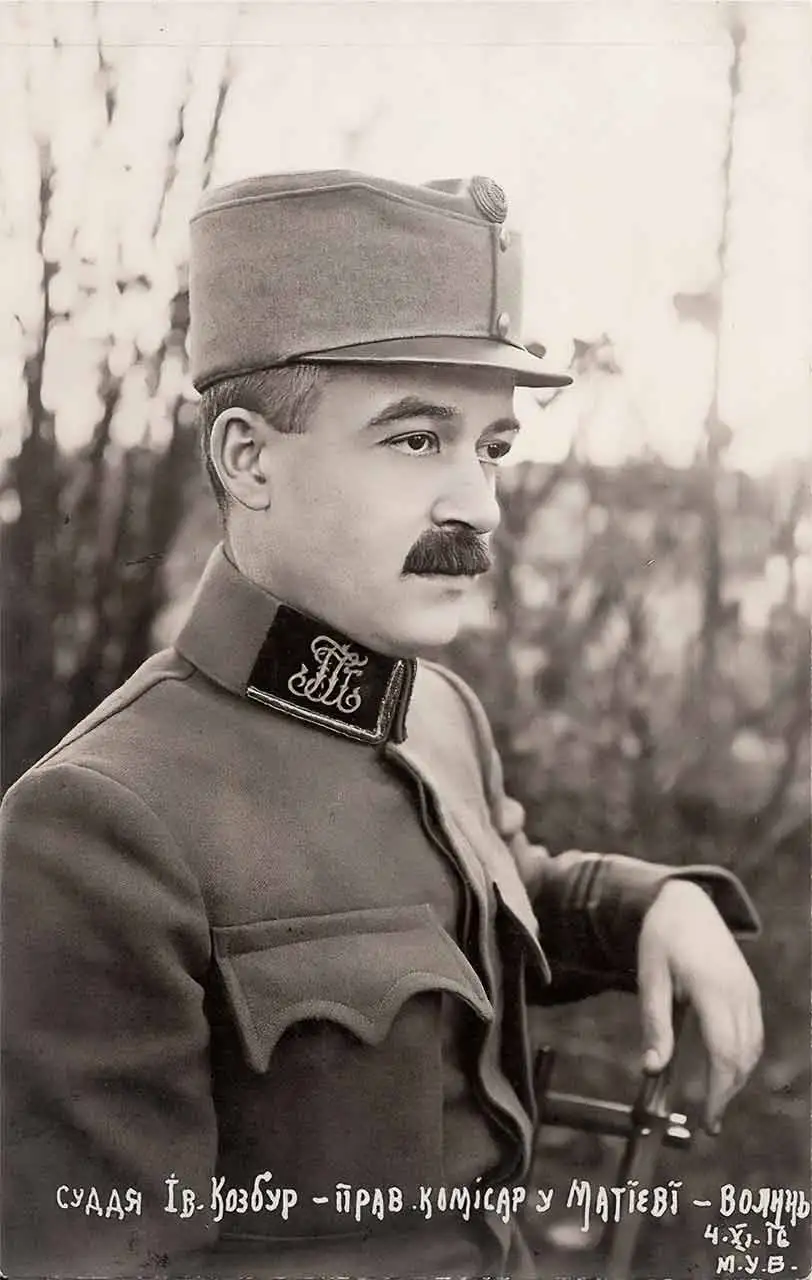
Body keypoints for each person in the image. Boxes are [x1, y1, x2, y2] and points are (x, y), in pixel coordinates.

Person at [1, 171, 762, 1280]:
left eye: (491, 447)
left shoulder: (434, 712)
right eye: (414, 440)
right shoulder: (101, 824)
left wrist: (650, 902)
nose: (478, 505)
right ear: (248, 459)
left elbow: (486, 896)